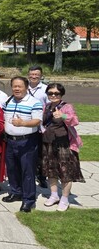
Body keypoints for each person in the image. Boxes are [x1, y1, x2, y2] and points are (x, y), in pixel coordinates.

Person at [1, 76, 43, 213]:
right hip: (10, 140)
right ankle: (16, 192)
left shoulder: (34, 102)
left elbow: (37, 121)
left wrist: (23, 123)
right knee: (12, 169)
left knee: (27, 171)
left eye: (19, 86)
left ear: (26, 87)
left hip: (27, 141)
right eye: (14, 86)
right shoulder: (9, 100)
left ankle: (28, 200)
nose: (16, 89)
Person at [41, 83, 84, 212]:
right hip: (49, 143)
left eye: (56, 93)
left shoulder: (66, 106)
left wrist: (63, 116)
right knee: (51, 170)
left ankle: (64, 199)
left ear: (61, 94)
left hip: (64, 144)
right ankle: (54, 195)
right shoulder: (46, 106)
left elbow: (75, 121)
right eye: (50, 93)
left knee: (66, 172)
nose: (53, 95)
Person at [28, 65, 49, 189]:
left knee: (42, 153)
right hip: (26, 126)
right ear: (28, 75)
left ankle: (42, 176)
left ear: (41, 75)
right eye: (32, 74)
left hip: (41, 126)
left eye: (37, 74)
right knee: (29, 152)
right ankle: (31, 172)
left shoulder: (45, 89)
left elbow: (49, 107)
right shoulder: (24, 87)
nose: (34, 76)